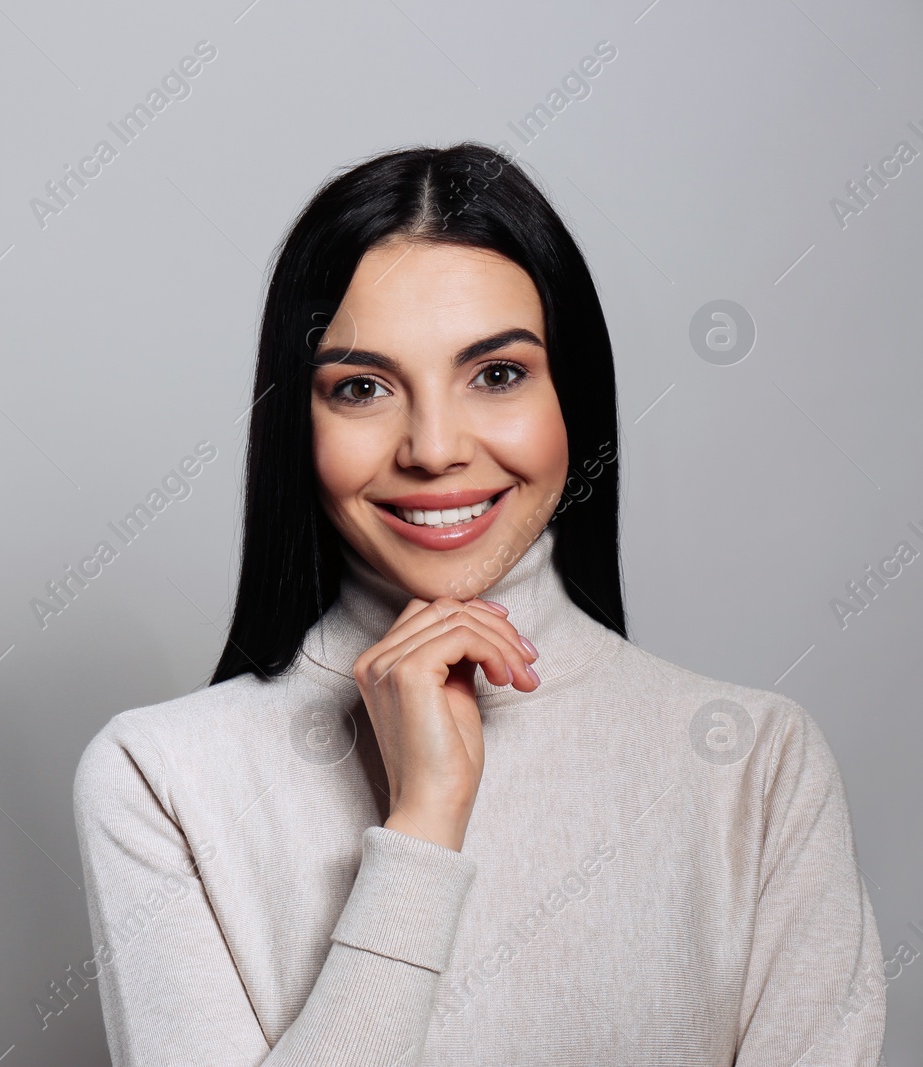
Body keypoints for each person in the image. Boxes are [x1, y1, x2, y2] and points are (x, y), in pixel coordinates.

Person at [71, 143, 886, 1065]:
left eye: (496, 373)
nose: (434, 447)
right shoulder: (161, 777)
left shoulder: (757, 765)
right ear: (297, 423)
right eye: (362, 387)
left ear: (570, 395)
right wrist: (423, 823)